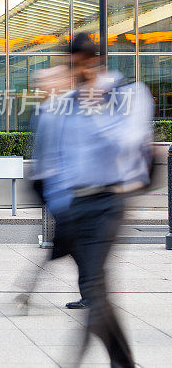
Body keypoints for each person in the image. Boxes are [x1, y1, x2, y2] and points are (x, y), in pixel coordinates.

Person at [34, 33, 152, 367]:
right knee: (93, 285)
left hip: (111, 200)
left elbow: (127, 143)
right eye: (69, 65)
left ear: (94, 62)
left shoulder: (129, 94)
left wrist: (98, 104)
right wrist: (59, 206)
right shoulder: (68, 103)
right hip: (76, 205)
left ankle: (77, 360)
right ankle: (123, 361)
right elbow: (60, 159)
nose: (73, 72)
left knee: (93, 283)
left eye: (78, 65)